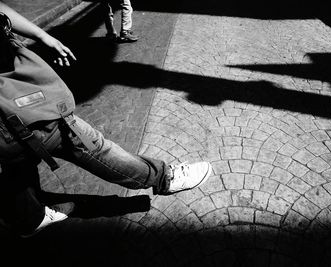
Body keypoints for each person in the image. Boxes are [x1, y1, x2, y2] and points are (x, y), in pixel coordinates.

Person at [0, 2, 212, 237]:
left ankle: (28, 218)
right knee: (84, 142)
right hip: (12, 104)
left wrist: (42, 36)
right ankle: (164, 178)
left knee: (15, 160)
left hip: (9, 103)